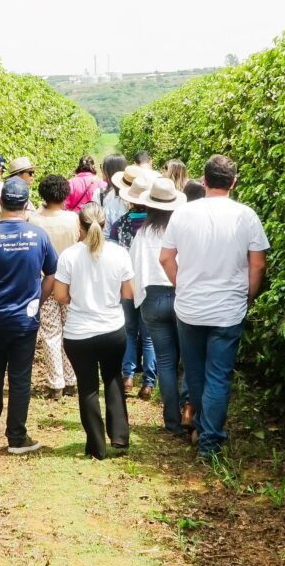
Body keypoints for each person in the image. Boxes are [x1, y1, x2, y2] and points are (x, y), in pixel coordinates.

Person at [160, 155, 268, 459]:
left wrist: (183, 286)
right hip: (228, 309)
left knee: (194, 372)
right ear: (233, 182)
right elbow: (257, 265)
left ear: (204, 181)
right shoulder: (246, 216)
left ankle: (201, 426)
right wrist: (247, 297)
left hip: (190, 308)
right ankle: (210, 442)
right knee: (219, 374)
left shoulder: (183, 214)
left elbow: (166, 259)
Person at [0, 177, 58, 454]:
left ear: (0, 202)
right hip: (25, 320)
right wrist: (38, 302)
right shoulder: (38, 236)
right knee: (20, 376)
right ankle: (17, 436)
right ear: (27, 204)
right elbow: (52, 273)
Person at [53, 203, 134, 458]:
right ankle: (119, 435)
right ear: (105, 223)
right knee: (112, 378)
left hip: (79, 334)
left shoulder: (69, 256)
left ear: (80, 226)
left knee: (87, 387)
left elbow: (60, 295)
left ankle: (96, 446)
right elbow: (128, 293)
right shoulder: (119, 254)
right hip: (112, 329)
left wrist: (79, 298)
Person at [122, 175, 187, 433]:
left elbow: (134, 270)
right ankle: (189, 411)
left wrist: (138, 301)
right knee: (188, 359)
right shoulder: (182, 230)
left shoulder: (144, 233)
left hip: (152, 297)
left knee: (166, 361)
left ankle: (171, 421)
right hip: (181, 295)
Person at [108, 164, 158, 400]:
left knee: (129, 331)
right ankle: (148, 382)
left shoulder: (120, 224)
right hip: (149, 282)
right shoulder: (155, 225)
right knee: (148, 336)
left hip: (126, 282)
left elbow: (114, 255)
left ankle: (127, 376)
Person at [30, 174, 81, 399]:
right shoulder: (73, 219)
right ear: (65, 194)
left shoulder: (33, 219)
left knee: (50, 332)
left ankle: (56, 383)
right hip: (71, 282)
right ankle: (71, 379)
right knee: (70, 330)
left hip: (45, 280)